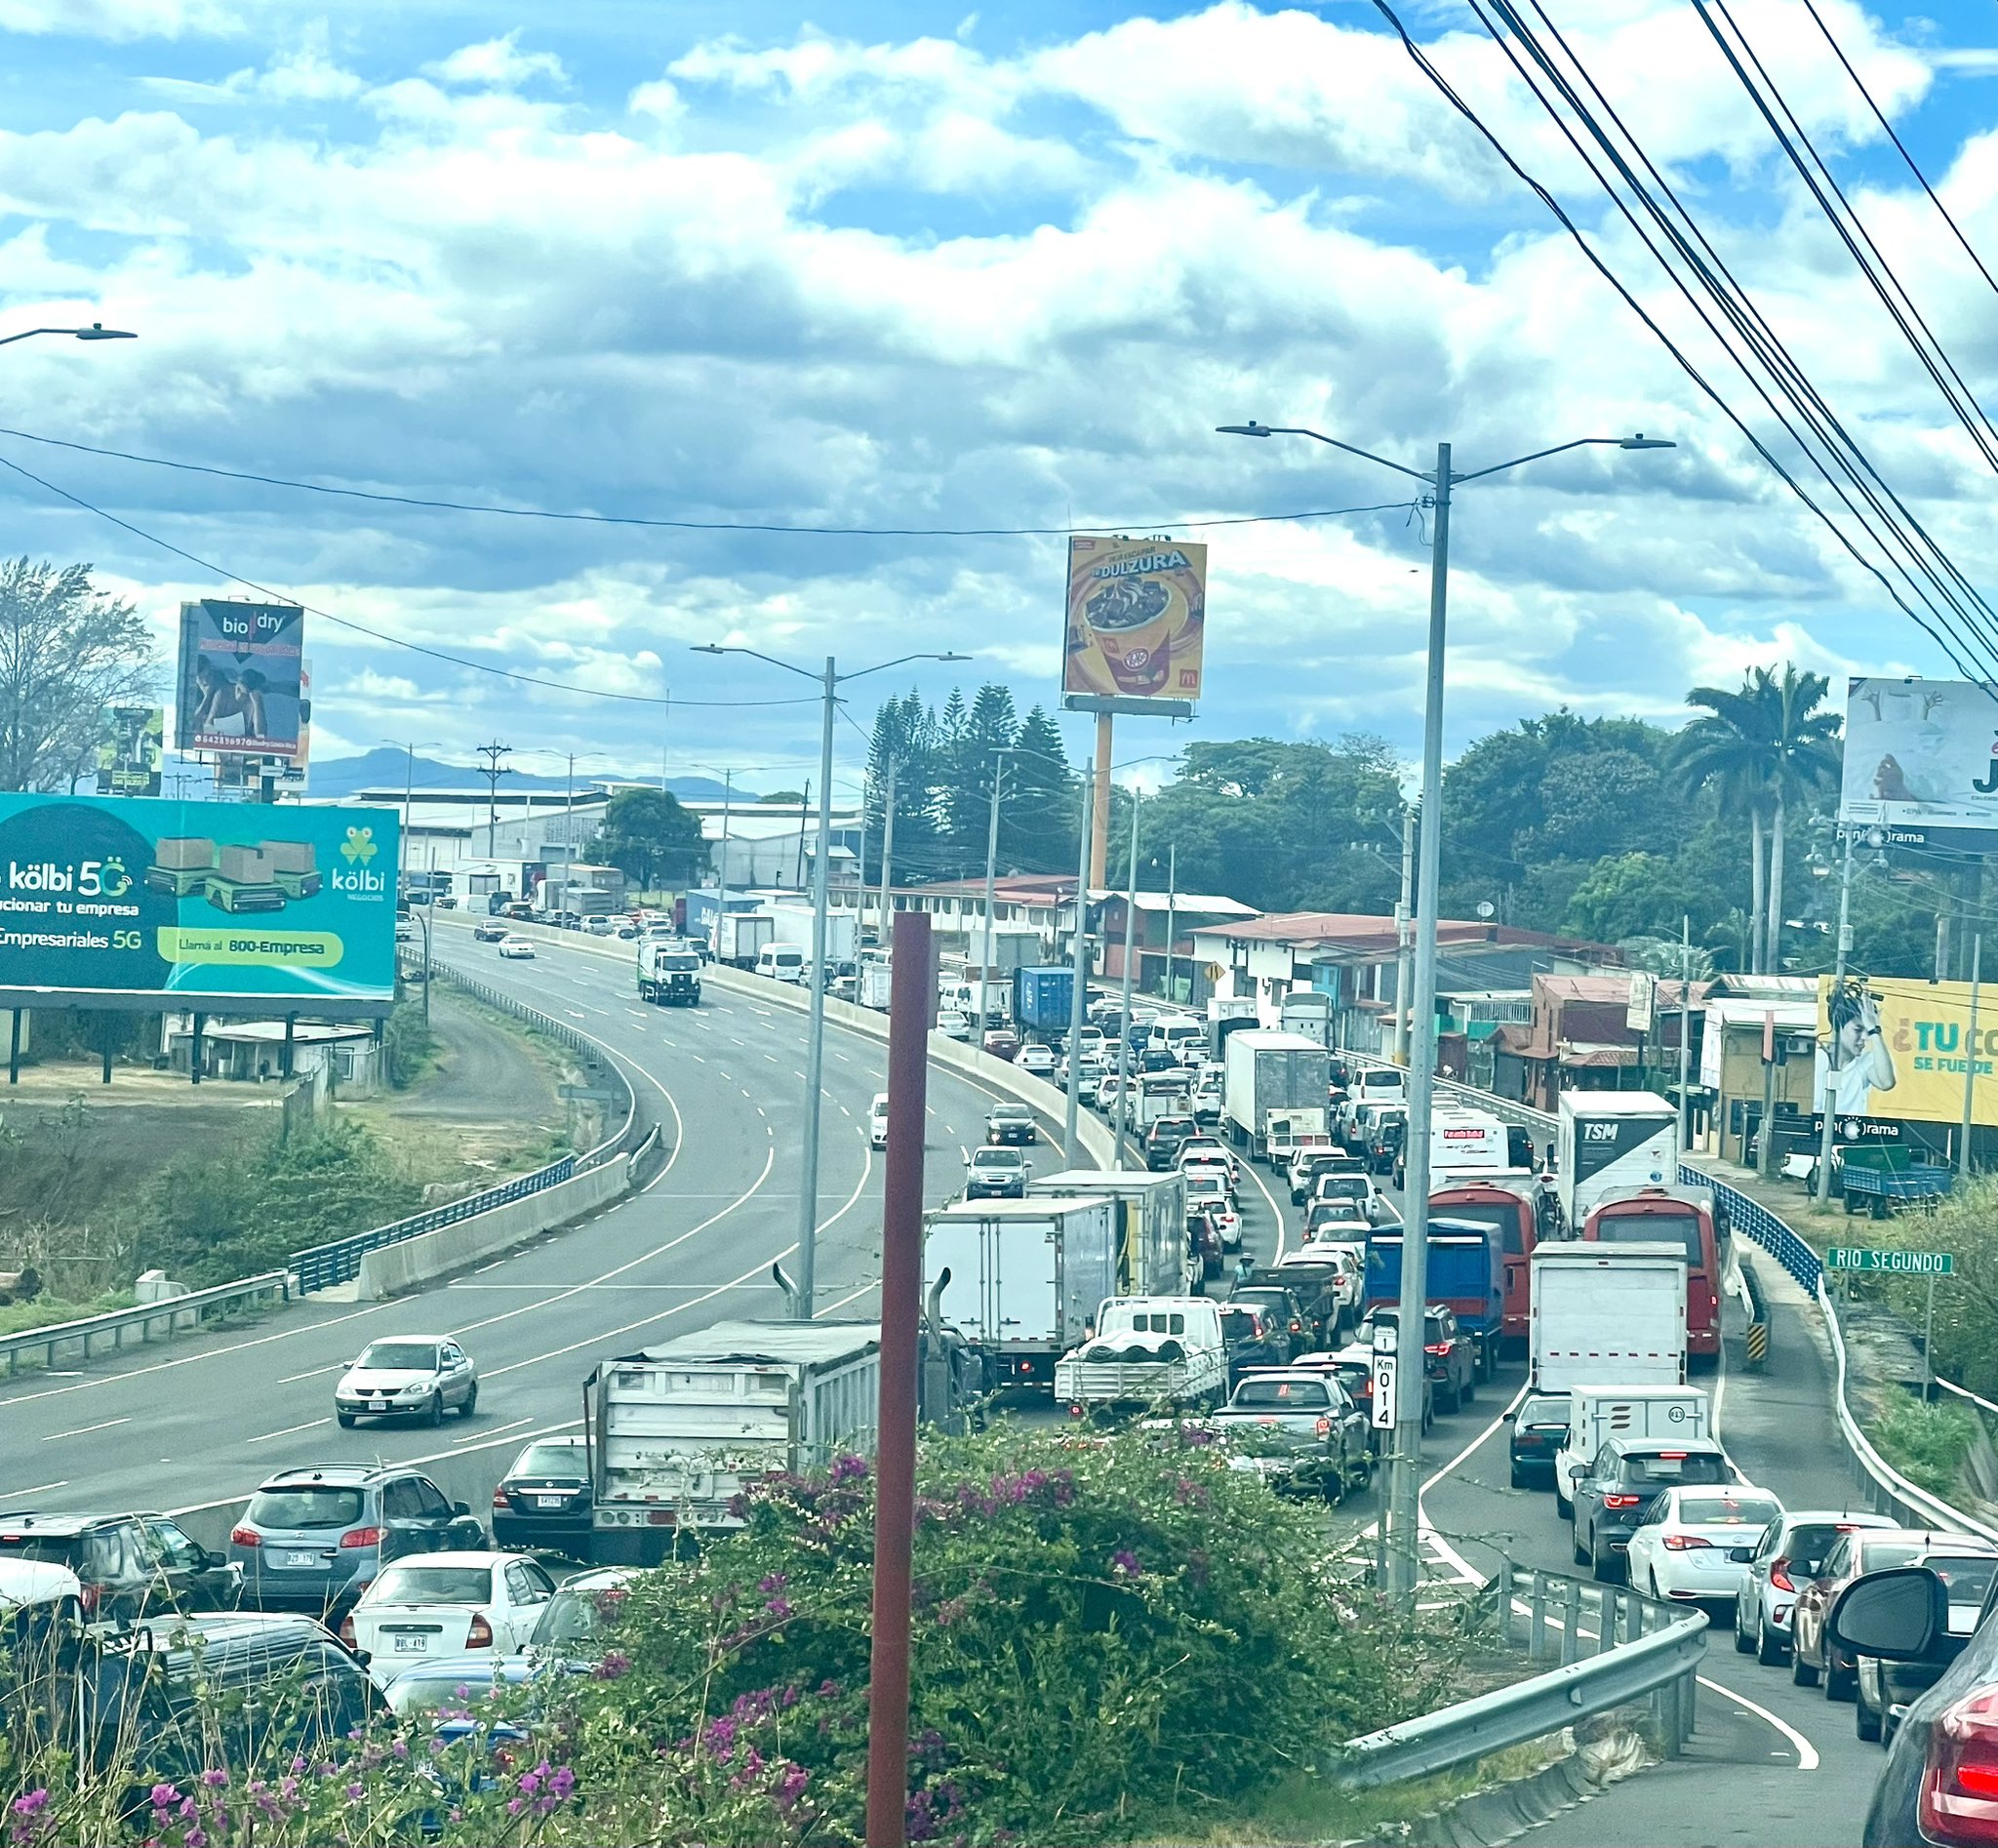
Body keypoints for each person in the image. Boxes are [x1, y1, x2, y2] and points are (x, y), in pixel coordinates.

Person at [1818, 978, 1898, 1118]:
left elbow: (1886, 1083)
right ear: (1838, 1025)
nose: (1865, 1037)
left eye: (1867, 1032)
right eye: (1858, 1030)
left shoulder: (1865, 1062)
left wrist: (1874, 1030)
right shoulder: (1817, 1059)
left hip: (1850, 1135)